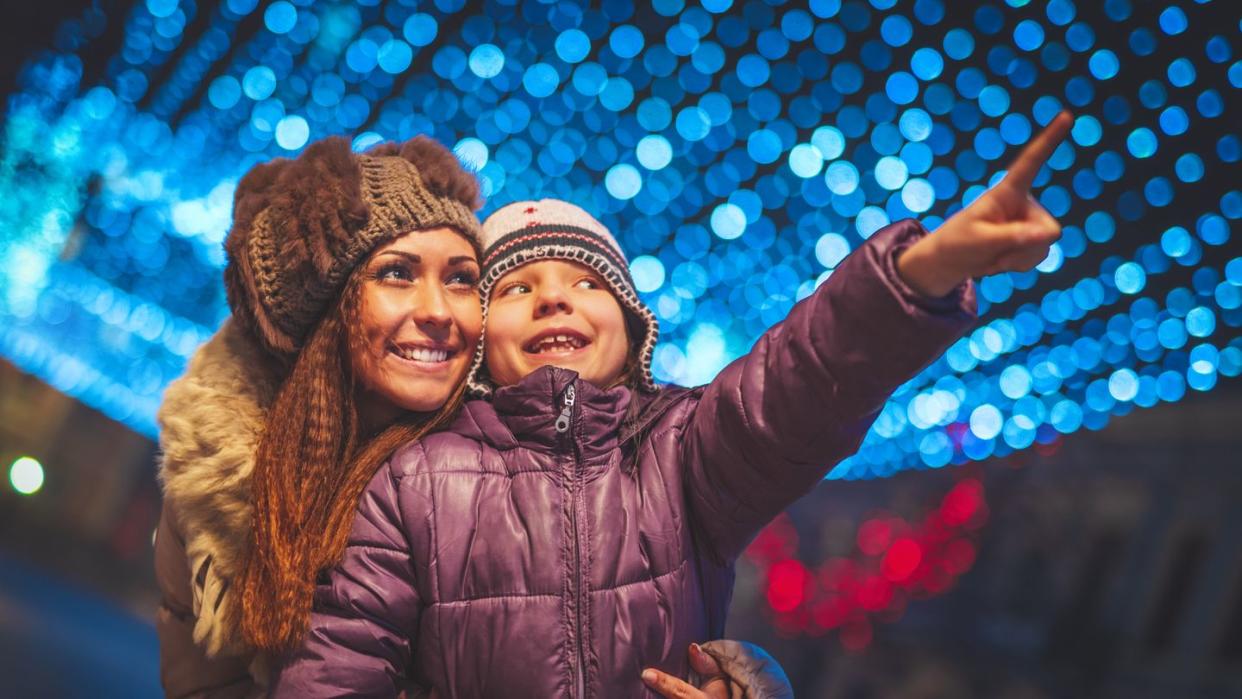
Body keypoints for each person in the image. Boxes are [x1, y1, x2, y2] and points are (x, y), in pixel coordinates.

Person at [270, 109, 1073, 697]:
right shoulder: (415, 482)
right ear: (481, 342)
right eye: (517, 287)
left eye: (588, 284)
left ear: (633, 329)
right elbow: (340, 664)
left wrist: (923, 268)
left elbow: (806, 375)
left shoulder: (685, 452)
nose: (555, 300)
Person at [154, 134, 486, 696]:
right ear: (330, 307)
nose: (437, 310)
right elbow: (207, 684)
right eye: (396, 274)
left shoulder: (515, 469)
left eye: (460, 279)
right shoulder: (222, 476)